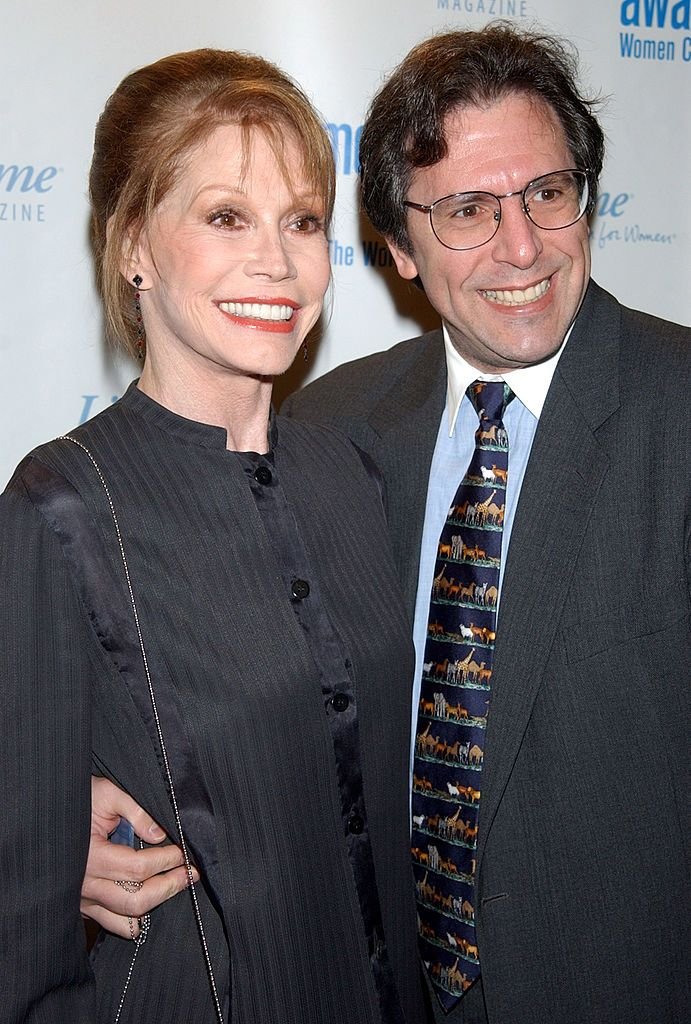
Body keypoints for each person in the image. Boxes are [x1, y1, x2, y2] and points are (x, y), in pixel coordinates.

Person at [84, 23, 690, 1024]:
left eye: (546, 193)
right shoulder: (328, 430)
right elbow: (221, 689)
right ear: (399, 248)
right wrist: (56, 813)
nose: (522, 244)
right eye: (467, 209)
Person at [0, 49, 428, 1024]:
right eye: (225, 216)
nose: (275, 261)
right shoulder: (61, 506)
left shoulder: (352, 471)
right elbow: (20, 952)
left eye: (302, 221)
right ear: (133, 247)